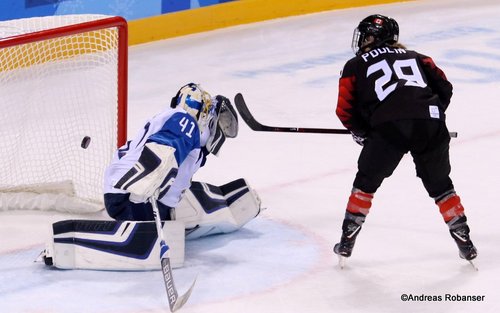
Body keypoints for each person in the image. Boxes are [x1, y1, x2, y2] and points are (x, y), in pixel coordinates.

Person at [333, 14, 477, 264]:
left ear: (371, 38)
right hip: (430, 124)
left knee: (366, 182)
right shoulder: (419, 57)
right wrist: (430, 115)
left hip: (388, 128)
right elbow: (445, 87)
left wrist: (363, 130)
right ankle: (463, 236)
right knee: (441, 185)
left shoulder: (354, 65)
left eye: (365, 36)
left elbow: (345, 109)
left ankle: (347, 240)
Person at [103, 82, 254, 229]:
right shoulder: (184, 120)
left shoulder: (190, 138)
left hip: (130, 195)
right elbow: (162, 149)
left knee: (193, 194)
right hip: (132, 197)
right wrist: (142, 187)